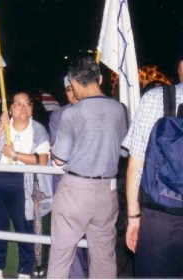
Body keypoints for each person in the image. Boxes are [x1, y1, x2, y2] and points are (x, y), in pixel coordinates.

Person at [47, 57, 128, 279]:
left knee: (61, 255)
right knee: (104, 257)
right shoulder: (120, 110)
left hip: (75, 190)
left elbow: (60, 160)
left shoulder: (71, 113)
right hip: (107, 192)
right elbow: (123, 152)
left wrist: (54, 148)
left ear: (72, 82)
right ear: (100, 78)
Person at [0, 90, 51, 279]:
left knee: (25, 227)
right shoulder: (2, 125)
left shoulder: (38, 129)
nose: (23, 107)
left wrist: (16, 156)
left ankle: (24, 271)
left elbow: (42, 160)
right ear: (10, 109)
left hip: (24, 182)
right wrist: (1, 127)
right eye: (18, 103)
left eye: (27, 103)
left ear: (32, 108)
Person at [121, 61, 183, 277]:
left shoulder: (155, 99)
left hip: (160, 218)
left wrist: (133, 218)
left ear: (180, 66)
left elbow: (135, 165)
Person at [48, 76, 85, 279]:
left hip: (92, 184)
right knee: (68, 236)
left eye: (76, 88)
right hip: (65, 182)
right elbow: (59, 152)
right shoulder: (57, 115)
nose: (74, 94)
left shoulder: (96, 111)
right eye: (69, 89)